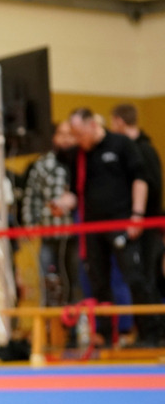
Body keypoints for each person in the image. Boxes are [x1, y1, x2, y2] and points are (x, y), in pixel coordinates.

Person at [67, 108, 163, 347]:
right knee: (98, 281)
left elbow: (141, 178)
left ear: (92, 125)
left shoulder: (121, 144)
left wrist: (137, 215)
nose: (79, 140)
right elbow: (75, 192)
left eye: (80, 133)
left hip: (122, 222)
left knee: (135, 277)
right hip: (92, 227)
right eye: (75, 135)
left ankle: (152, 334)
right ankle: (107, 335)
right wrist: (62, 203)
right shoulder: (80, 155)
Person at [21, 121, 83, 308]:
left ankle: (75, 329)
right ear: (53, 138)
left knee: (75, 280)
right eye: (61, 134)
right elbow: (31, 195)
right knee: (48, 282)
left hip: (74, 234)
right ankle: (50, 328)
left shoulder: (81, 162)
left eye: (69, 134)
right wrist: (30, 223)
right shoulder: (43, 164)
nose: (65, 139)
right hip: (49, 233)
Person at [111, 103, 165, 309]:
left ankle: (153, 332)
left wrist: (137, 215)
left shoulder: (142, 150)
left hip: (145, 224)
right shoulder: (137, 148)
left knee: (146, 278)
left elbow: (152, 186)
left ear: (119, 122)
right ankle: (148, 332)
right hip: (142, 223)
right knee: (139, 277)